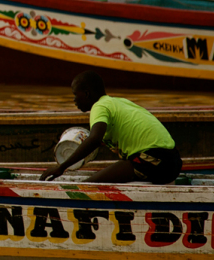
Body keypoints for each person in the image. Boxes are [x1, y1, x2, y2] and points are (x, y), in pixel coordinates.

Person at [40, 71, 181, 184]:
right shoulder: (118, 102)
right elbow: (99, 141)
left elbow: (94, 139)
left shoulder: (99, 106)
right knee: (102, 178)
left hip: (155, 160)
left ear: (87, 93)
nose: (74, 100)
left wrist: (61, 167)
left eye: (75, 94)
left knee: (87, 187)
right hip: (172, 162)